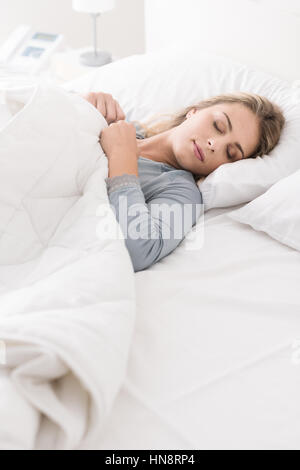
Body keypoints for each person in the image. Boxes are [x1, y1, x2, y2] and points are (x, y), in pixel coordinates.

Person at [82, 91, 285, 273]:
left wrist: (122, 158)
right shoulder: (122, 126)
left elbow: (138, 252)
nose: (214, 144)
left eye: (230, 153)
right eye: (218, 126)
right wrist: (82, 107)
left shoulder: (182, 193)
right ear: (194, 111)